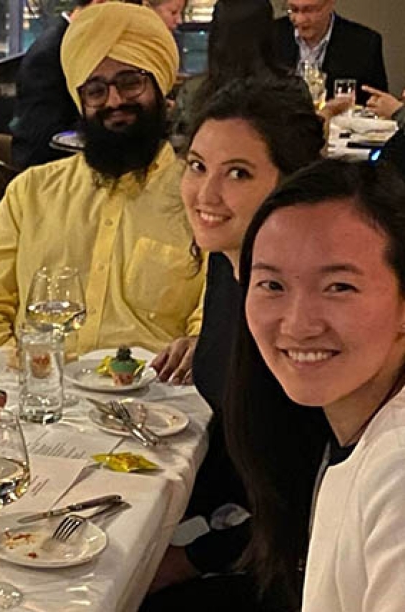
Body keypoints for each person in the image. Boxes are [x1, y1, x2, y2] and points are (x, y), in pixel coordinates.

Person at [142, 77, 324, 611]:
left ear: (289, 183)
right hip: (237, 535)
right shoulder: (229, 265)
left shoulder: (296, 321)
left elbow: (299, 499)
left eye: (238, 174)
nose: (206, 194)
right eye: (197, 166)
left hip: (288, 571)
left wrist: (185, 558)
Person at [0, 2, 205, 369]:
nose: (115, 101)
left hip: (156, 407)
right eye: (96, 90)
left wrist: (198, 344)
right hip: (41, 400)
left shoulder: (202, 198)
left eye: (130, 83)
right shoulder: (31, 192)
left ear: (160, 87)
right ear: (81, 100)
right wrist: (14, 369)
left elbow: (213, 317)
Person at [224, 159, 405, 610]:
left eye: (339, 287)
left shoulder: (398, 473)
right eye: (271, 284)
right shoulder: (342, 430)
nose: (298, 324)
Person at [170, 0, 296, 150]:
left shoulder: (193, 94)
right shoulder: (290, 91)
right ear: (269, 34)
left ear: (216, 37)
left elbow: (178, 148)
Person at [10, 0, 108, 169]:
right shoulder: (51, 51)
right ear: (100, 3)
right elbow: (43, 133)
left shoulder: (73, 42)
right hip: (46, 167)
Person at [273, 0, 387, 105]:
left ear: (330, 4)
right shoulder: (270, 35)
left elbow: (378, 105)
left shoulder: (364, 44)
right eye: (293, 9)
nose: (299, 19)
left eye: (309, 10)